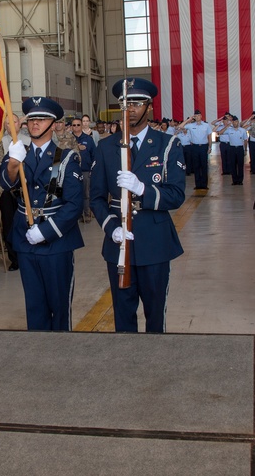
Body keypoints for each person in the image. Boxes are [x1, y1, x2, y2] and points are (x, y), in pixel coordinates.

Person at [91, 78, 186, 333]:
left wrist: (143, 189)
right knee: (122, 316)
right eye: (124, 103)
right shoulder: (106, 147)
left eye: (135, 103)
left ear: (149, 107)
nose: (129, 109)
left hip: (155, 242)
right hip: (119, 244)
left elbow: (177, 195)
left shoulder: (168, 145)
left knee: (155, 316)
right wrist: (111, 228)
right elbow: (96, 198)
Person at [0, 97, 84, 331]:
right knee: (34, 306)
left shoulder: (64, 158)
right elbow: (5, 184)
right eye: (32, 118)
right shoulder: (18, 152)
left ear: (54, 123)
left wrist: (45, 231)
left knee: (58, 306)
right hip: (25, 238)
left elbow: (73, 204)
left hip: (56, 242)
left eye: (42, 118)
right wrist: (13, 164)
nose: (35, 123)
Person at [70, 116, 96, 223]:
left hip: (85, 170)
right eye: (74, 125)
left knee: (86, 194)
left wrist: (93, 170)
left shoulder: (88, 139)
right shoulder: (68, 139)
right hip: (72, 171)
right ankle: (78, 215)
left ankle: (87, 213)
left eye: (78, 125)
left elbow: (94, 155)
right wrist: (76, 147)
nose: (76, 127)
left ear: (82, 126)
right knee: (75, 194)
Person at [180, 111, 213, 192]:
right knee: (196, 166)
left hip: (204, 146)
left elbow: (209, 136)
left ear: (201, 116)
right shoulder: (191, 125)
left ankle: (204, 185)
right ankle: (198, 185)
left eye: (198, 115)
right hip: (194, 147)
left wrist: (210, 147)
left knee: (204, 166)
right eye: (196, 116)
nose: (197, 117)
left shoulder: (206, 125)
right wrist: (189, 120)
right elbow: (180, 127)